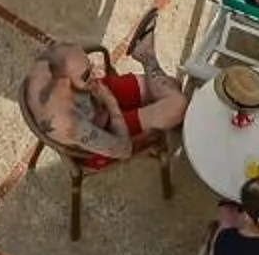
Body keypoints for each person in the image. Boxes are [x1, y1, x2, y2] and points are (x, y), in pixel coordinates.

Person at [25, 15, 187, 167]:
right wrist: (110, 101)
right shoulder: (68, 123)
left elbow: (73, 62)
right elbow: (124, 150)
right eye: (87, 73)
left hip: (93, 97)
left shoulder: (51, 62)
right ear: (63, 84)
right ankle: (147, 56)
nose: (95, 73)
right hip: (104, 133)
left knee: (172, 84)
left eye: (90, 66)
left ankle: (145, 55)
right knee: (177, 105)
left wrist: (91, 84)